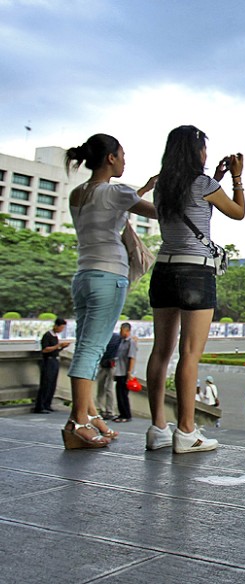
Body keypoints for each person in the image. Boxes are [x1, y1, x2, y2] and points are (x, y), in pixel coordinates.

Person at [145, 125, 244, 453]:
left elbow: (187, 206)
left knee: (161, 351)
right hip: (195, 272)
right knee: (189, 353)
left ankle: (158, 427)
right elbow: (238, 213)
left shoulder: (161, 186)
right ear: (194, 152)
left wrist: (213, 176)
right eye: (203, 147)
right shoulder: (204, 184)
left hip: (163, 268)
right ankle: (186, 431)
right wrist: (236, 179)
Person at [62, 134, 157, 449]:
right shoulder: (117, 191)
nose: (125, 160)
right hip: (109, 275)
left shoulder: (78, 193)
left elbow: (111, 209)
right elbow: (156, 213)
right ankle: (77, 423)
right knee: (92, 349)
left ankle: (89, 417)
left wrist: (141, 189)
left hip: (84, 274)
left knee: (85, 347)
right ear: (111, 159)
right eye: (123, 155)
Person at [34, 318, 69, 414]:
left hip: (55, 360)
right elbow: (45, 349)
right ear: (56, 326)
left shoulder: (55, 336)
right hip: (48, 361)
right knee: (46, 383)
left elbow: (54, 350)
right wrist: (57, 346)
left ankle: (47, 404)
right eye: (61, 327)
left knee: (52, 384)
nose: (61, 330)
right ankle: (40, 406)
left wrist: (61, 347)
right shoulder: (47, 335)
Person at [111, 323, 137, 422]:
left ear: (127, 331)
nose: (121, 333)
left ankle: (126, 415)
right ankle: (122, 414)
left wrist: (129, 372)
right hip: (118, 371)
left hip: (125, 372)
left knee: (123, 394)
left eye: (123, 331)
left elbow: (132, 358)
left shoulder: (131, 342)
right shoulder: (121, 341)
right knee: (119, 393)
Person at [95, 332, 118, 419]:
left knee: (107, 389)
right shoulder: (116, 337)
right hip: (105, 364)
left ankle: (106, 410)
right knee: (105, 388)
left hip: (109, 364)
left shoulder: (115, 337)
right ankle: (106, 410)